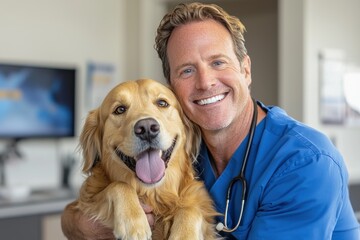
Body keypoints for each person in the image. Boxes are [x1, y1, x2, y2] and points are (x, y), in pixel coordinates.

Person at [61, 2, 360, 239]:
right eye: (187, 70)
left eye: (218, 62)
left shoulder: (306, 163)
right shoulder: (183, 146)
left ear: (245, 70)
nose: (205, 82)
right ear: (174, 87)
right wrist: (85, 225)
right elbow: (76, 216)